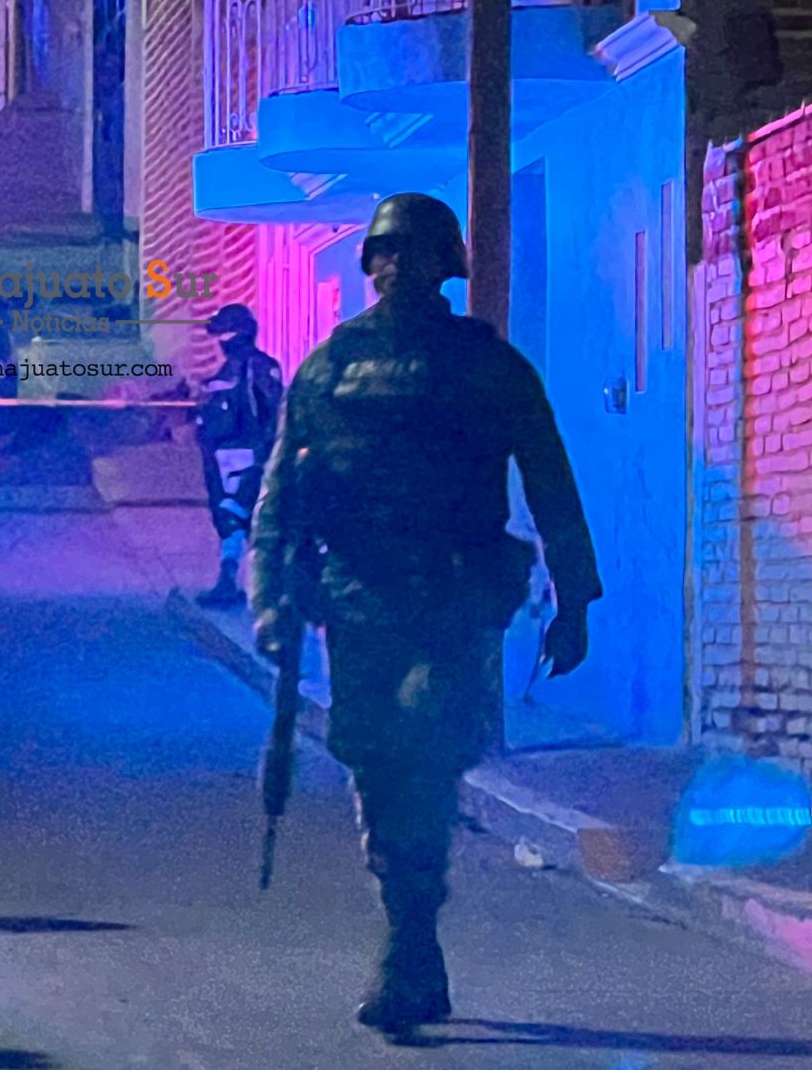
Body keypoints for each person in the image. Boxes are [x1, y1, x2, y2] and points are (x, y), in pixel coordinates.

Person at [250, 193, 601, 1039]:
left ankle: (408, 945)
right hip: (358, 603)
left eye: (415, 251)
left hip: (453, 601)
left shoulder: (489, 366)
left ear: (447, 265)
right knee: (377, 764)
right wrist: (268, 600)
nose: (399, 265)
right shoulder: (330, 367)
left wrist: (575, 598)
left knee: (428, 751)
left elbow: (550, 481)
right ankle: (410, 933)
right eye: (387, 251)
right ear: (369, 264)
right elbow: (281, 495)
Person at [195, 303, 283, 608]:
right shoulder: (231, 368)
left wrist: (264, 455)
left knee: (239, 516)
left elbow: (271, 413)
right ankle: (230, 581)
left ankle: (246, 584)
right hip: (223, 457)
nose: (220, 341)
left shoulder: (257, 367)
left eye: (224, 334)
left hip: (244, 456)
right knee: (228, 517)